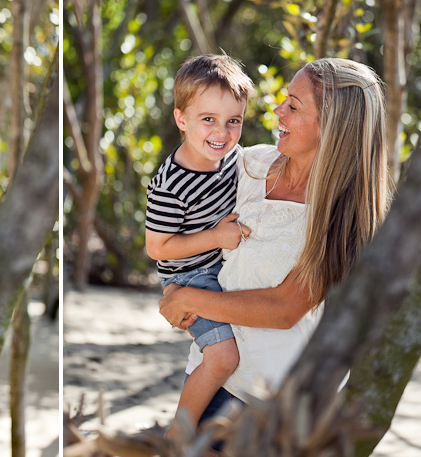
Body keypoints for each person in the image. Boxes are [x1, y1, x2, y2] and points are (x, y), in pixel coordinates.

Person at [158, 58, 391, 423]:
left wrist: (186, 299)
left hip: (269, 403)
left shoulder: (344, 216)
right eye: (285, 99)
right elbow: (181, 209)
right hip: (209, 370)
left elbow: (283, 310)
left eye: (294, 106)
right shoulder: (247, 165)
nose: (278, 110)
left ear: (332, 126)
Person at [145, 54, 255, 429]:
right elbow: (157, 248)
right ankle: (180, 435)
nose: (221, 133)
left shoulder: (233, 157)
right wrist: (216, 236)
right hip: (191, 275)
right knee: (223, 357)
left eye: (233, 121)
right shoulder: (170, 185)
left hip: (222, 267)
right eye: (208, 119)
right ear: (181, 119)